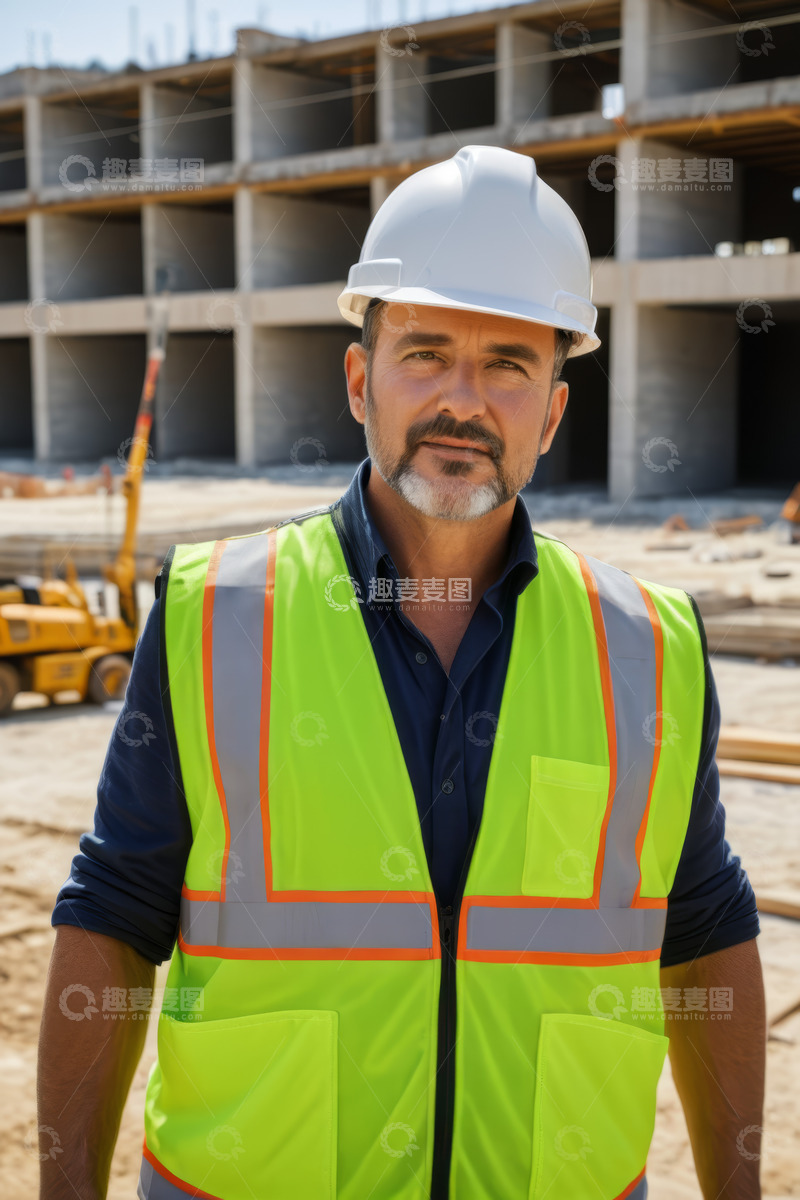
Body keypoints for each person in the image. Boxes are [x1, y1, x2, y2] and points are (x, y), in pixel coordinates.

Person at [39, 145, 765, 1200]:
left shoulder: (648, 647)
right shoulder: (214, 615)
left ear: (551, 414)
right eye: (423, 352)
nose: (461, 402)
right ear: (357, 381)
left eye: (510, 363)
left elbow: (700, 933)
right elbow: (113, 916)